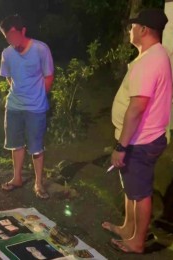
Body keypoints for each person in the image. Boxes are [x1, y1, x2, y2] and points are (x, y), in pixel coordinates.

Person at [102, 9, 172, 254]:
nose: (129, 30)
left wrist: (121, 147)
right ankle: (127, 227)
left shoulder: (150, 62)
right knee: (132, 187)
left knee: (140, 192)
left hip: (140, 140)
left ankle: (137, 241)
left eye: (133, 26)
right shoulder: (155, 55)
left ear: (143, 29)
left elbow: (137, 108)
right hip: (143, 138)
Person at [0, 15, 54, 199]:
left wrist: (38, 95)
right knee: (16, 144)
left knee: (36, 148)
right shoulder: (7, 54)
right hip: (14, 105)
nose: (12, 40)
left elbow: (48, 77)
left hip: (36, 107)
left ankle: (39, 184)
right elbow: (8, 76)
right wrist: (19, 91)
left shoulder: (40, 49)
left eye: (14, 35)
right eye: (8, 37)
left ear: (23, 31)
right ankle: (17, 178)